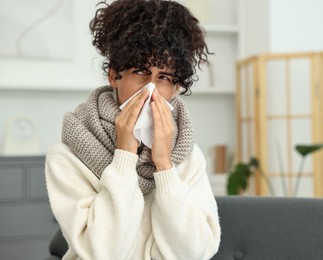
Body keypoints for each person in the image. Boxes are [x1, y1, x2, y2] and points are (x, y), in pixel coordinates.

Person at [45, 0, 221, 259]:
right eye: (140, 71)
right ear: (114, 75)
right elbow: (102, 254)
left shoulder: (188, 155)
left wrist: (165, 166)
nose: (150, 90)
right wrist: (124, 158)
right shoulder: (68, 156)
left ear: (176, 88)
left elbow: (195, 253)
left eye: (164, 78)